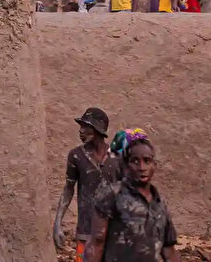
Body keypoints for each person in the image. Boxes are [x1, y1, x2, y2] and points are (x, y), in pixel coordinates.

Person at [86, 133, 180, 262]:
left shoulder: (160, 204)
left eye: (147, 161)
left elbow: (169, 251)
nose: (142, 167)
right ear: (125, 165)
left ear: (154, 165)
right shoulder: (112, 195)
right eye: (135, 161)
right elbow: (97, 243)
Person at [54, 108, 122, 260]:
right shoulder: (76, 156)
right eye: (81, 126)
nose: (81, 131)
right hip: (86, 231)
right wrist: (58, 222)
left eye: (86, 127)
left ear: (98, 129)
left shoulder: (116, 158)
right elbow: (68, 189)